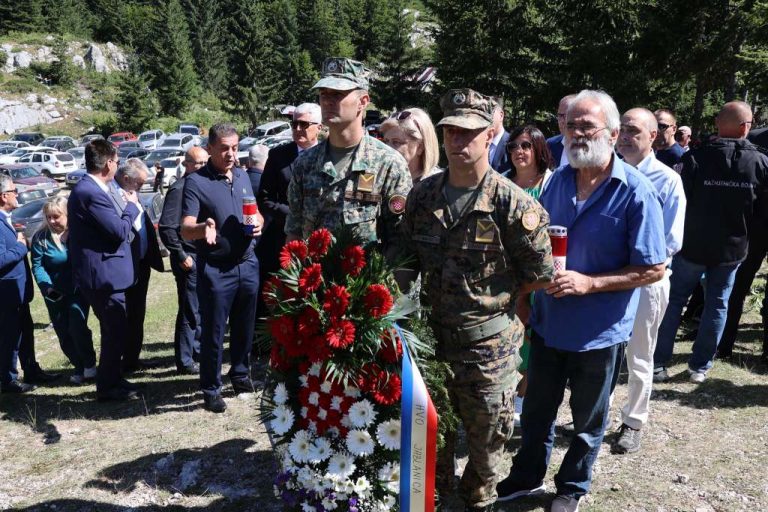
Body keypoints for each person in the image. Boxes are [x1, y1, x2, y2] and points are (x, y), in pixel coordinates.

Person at [496, 90, 666, 512]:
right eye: (570, 125)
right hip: (549, 322)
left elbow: (653, 268)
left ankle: (571, 486)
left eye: (586, 126)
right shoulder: (553, 183)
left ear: (610, 134)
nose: (575, 134)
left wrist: (589, 284)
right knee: (537, 412)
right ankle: (525, 478)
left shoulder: (636, 192)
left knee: (588, 422)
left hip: (600, 331)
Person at [401, 88, 554, 512]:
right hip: (432, 345)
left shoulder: (513, 204)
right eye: (450, 130)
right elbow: (407, 260)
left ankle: (477, 504)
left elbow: (537, 277)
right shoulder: (423, 196)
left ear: (490, 136)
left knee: (486, 452)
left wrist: (494, 308)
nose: (458, 140)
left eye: (469, 132)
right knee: (432, 441)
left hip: (488, 350)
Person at [654, 101, 768, 383]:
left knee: (675, 300)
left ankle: (658, 362)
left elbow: (681, 200)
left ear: (718, 124)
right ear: (745, 127)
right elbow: (762, 213)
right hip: (732, 247)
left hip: (693, 244)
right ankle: (700, 367)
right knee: (718, 303)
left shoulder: (696, 157)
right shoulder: (761, 162)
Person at [284, 57, 412, 268]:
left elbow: (400, 241)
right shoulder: (305, 163)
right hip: (313, 290)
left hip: (364, 292)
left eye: (338, 94)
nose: (327, 101)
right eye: (323, 94)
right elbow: (294, 231)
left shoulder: (387, 164)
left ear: (363, 102)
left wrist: (377, 290)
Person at [610, 108, 686, 454]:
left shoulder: (666, 180)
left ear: (653, 136)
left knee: (640, 354)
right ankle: (595, 415)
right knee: (605, 352)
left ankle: (633, 421)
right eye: (621, 129)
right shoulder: (605, 172)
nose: (625, 136)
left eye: (634, 131)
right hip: (608, 280)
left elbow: (671, 240)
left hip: (645, 281)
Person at [181, 123, 264, 413]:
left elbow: (256, 212)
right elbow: (185, 228)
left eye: (235, 147)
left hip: (247, 263)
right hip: (216, 269)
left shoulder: (241, 176)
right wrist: (205, 227)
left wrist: (259, 224)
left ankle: (240, 375)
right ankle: (211, 388)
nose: (231, 154)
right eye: (224, 148)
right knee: (215, 331)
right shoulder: (196, 182)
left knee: (245, 325)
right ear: (210, 149)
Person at [68, 140, 142, 401]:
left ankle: (112, 378)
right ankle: (108, 387)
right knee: (115, 331)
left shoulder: (94, 188)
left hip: (105, 275)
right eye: (117, 160)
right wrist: (131, 205)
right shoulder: (91, 192)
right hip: (102, 277)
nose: (118, 164)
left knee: (114, 331)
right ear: (109, 162)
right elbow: (118, 232)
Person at [502, 124, 555, 420]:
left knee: (532, 337)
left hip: (537, 274)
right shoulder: (500, 182)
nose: (519, 152)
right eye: (513, 146)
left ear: (538, 149)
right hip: (505, 274)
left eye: (525, 146)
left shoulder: (552, 184)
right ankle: (506, 396)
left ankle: (524, 397)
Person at [256, 103, 322, 322]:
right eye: (294, 123)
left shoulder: (328, 155)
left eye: (304, 124)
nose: (298, 128)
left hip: (319, 238)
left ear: (319, 128)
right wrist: (294, 216)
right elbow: (265, 198)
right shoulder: (278, 156)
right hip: (282, 236)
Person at [31, 196, 97, 385]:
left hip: (79, 290)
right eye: (48, 217)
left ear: (67, 215)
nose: (52, 221)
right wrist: (46, 286)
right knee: (63, 332)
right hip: (53, 292)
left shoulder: (78, 233)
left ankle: (89, 365)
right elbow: (38, 265)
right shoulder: (40, 238)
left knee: (77, 325)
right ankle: (78, 366)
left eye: (56, 217)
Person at [110, 159, 165, 373]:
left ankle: (132, 358)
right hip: (123, 267)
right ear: (126, 179)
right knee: (122, 317)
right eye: (139, 184)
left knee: (137, 314)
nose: (141, 188)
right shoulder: (110, 195)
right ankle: (120, 362)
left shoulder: (132, 192)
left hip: (141, 264)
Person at [159, 146, 208, 375]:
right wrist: (181, 255)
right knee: (190, 310)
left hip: (203, 257)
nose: (200, 167)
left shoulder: (201, 186)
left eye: (203, 163)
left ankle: (196, 353)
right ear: (186, 164)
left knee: (200, 309)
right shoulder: (179, 189)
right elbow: (168, 228)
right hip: (188, 259)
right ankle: (185, 360)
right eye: (196, 163)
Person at [379, 107, 441, 184]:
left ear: (420, 147)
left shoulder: (438, 184)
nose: (387, 148)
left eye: (396, 142)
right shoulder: (382, 179)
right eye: (386, 141)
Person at [546, 94, 577, 168]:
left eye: (567, 115)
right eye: (560, 115)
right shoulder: (550, 145)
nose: (562, 121)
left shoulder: (590, 146)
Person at [488, 98, 511, 174]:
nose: (486, 117)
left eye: (490, 112)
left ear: (501, 115)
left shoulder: (512, 144)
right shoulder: (477, 142)